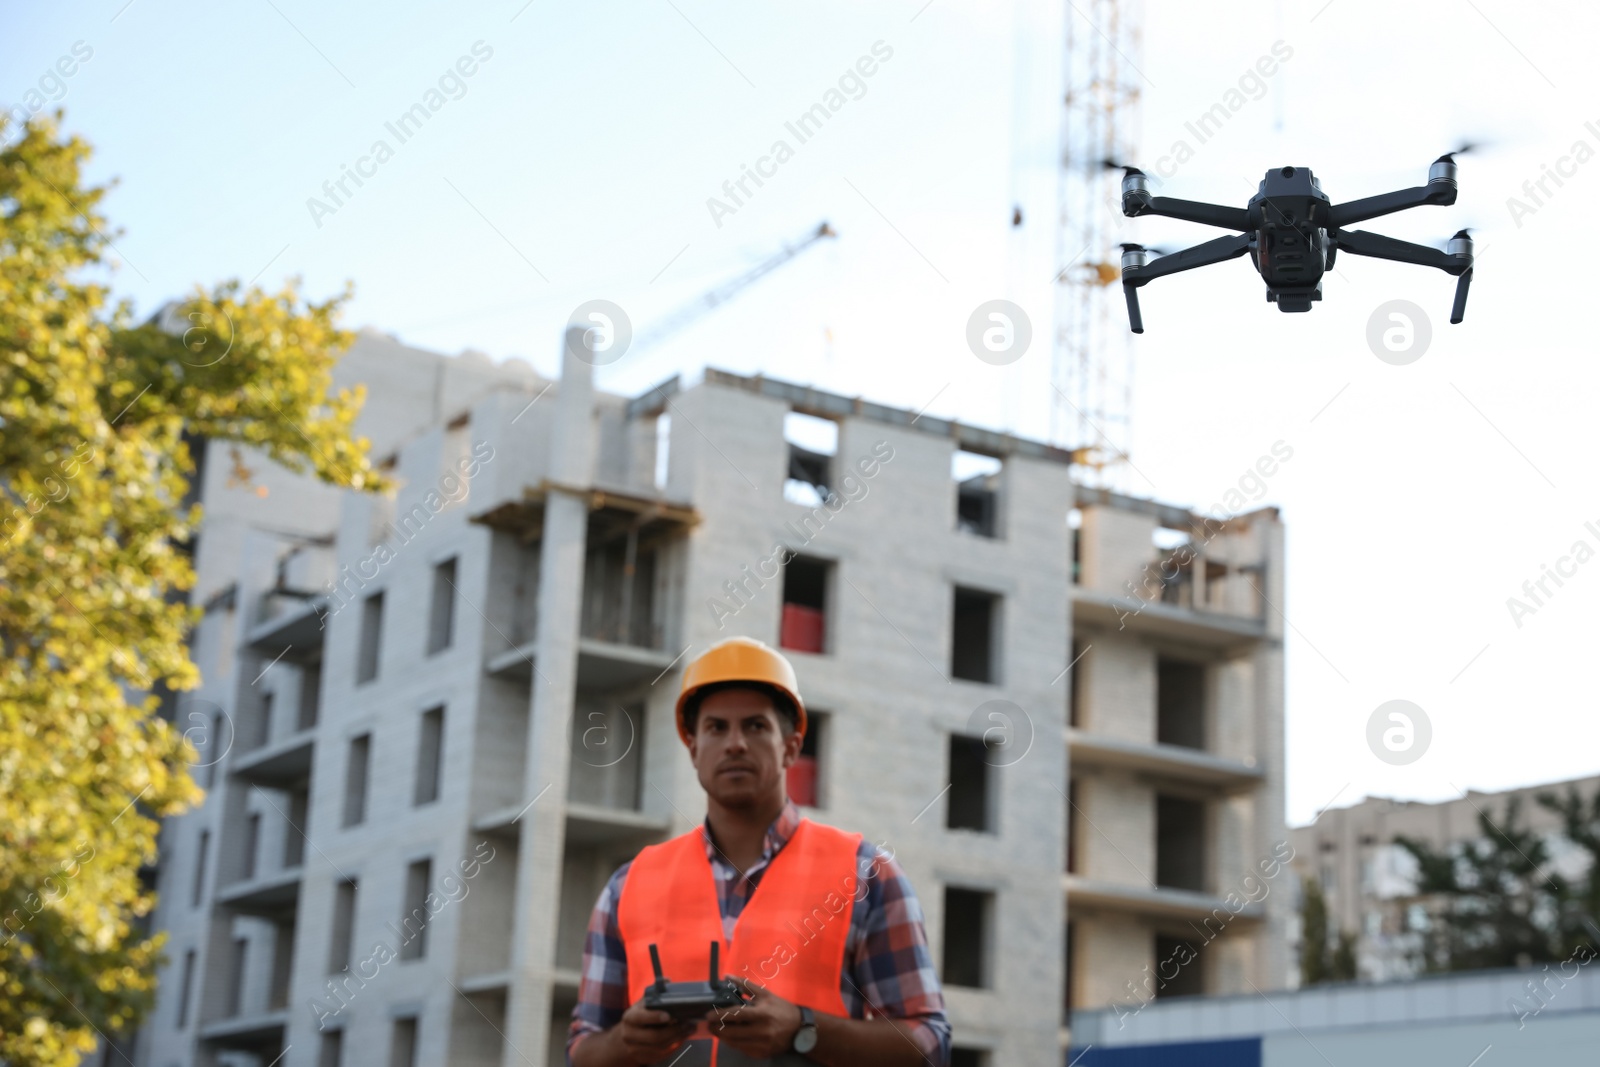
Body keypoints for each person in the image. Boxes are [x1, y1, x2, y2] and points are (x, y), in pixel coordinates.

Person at [567, 636, 951, 1066]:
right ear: (693, 748)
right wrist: (625, 1043)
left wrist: (803, 1029)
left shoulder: (866, 876)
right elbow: (583, 1051)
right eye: (716, 727)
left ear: (791, 746)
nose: (735, 744)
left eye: (755, 726)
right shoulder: (628, 886)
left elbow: (928, 1044)